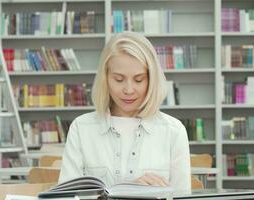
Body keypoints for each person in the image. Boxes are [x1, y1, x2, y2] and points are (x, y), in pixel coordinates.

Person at [58, 31, 191, 192]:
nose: (128, 90)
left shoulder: (173, 131)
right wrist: (129, 191)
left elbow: (182, 195)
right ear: (105, 78)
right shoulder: (81, 128)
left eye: (139, 79)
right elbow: (65, 197)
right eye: (119, 79)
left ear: (151, 79)